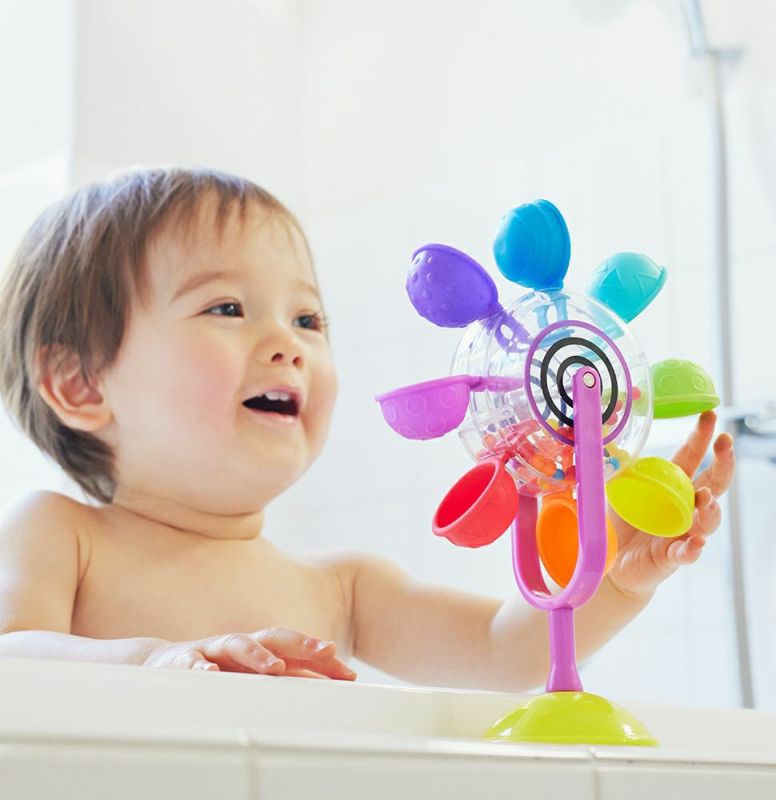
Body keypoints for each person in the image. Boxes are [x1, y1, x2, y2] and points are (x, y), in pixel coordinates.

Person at [0, 167, 735, 689]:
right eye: (226, 308)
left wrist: (613, 576)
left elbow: (504, 653)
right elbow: (11, 656)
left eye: (308, 318)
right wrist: (152, 660)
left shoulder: (344, 589)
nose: (289, 343)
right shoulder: (62, 536)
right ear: (79, 384)